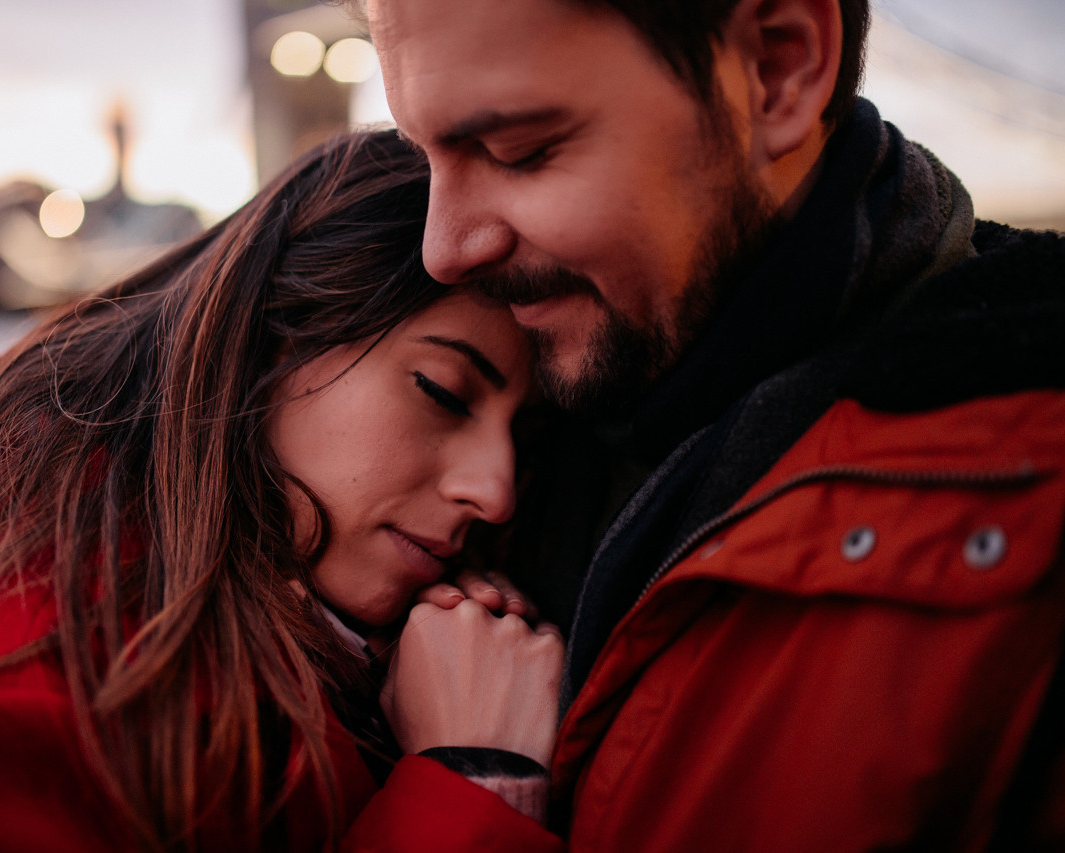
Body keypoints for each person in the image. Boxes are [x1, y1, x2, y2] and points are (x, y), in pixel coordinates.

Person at [339, 0, 1065, 850]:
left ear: (776, 68)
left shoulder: (1030, 532)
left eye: (517, 151)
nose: (445, 246)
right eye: (423, 155)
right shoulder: (524, 427)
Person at [0, 130, 563, 853]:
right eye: (442, 391)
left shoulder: (300, 644)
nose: (495, 491)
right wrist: (471, 788)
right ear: (271, 339)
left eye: (523, 440)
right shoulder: (2, 733)